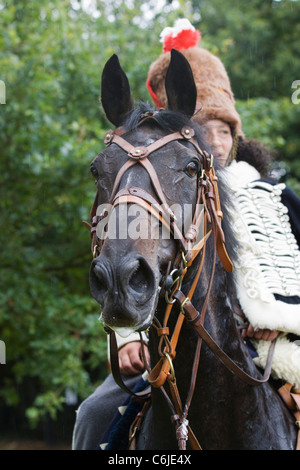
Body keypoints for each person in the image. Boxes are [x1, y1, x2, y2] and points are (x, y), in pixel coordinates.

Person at [72, 19, 300, 450]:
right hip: (172, 347)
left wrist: (285, 326)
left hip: (281, 351)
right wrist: (127, 338)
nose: (214, 140)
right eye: (203, 130)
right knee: (91, 415)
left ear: (236, 134)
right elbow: (135, 252)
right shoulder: (161, 184)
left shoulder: (276, 197)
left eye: (223, 130)